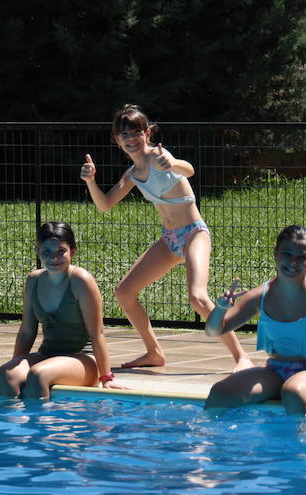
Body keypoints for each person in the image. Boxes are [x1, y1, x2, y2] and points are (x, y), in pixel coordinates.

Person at [82, 105, 253, 371]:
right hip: (170, 240)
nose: (131, 138)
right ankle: (154, 352)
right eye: (124, 134)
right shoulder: (132, 174)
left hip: (194, 233)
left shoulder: (157, 156)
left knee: (197, 297)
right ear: (117, 140)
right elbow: (104, 205)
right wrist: (91, 181)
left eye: (136, 132)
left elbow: (189, 170)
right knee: (124, 292)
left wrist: (172, 164)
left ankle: (242, 357)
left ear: (148, 133)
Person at [203, 224, 306, 416]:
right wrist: (220, 309)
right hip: (276, 369)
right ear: (276, 254)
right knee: (220, 393)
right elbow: (213, 330)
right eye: (287, 254)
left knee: (294, 392)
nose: (293, 262)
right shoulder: (262, 295)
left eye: (301, 257)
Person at [0, 221, 117, 399]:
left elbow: (97, 333)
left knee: (38, 375)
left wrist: (106, 378)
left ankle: (40, 417)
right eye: (47, 252)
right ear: (37, 251)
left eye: (61, 251)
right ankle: (14, 418)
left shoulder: (81, 281)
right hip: (47, 354)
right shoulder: (33, 280)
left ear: (73, 251)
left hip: (82, 360)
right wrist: (16, 365)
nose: (54, 258)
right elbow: (26, 331)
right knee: (6, 374)